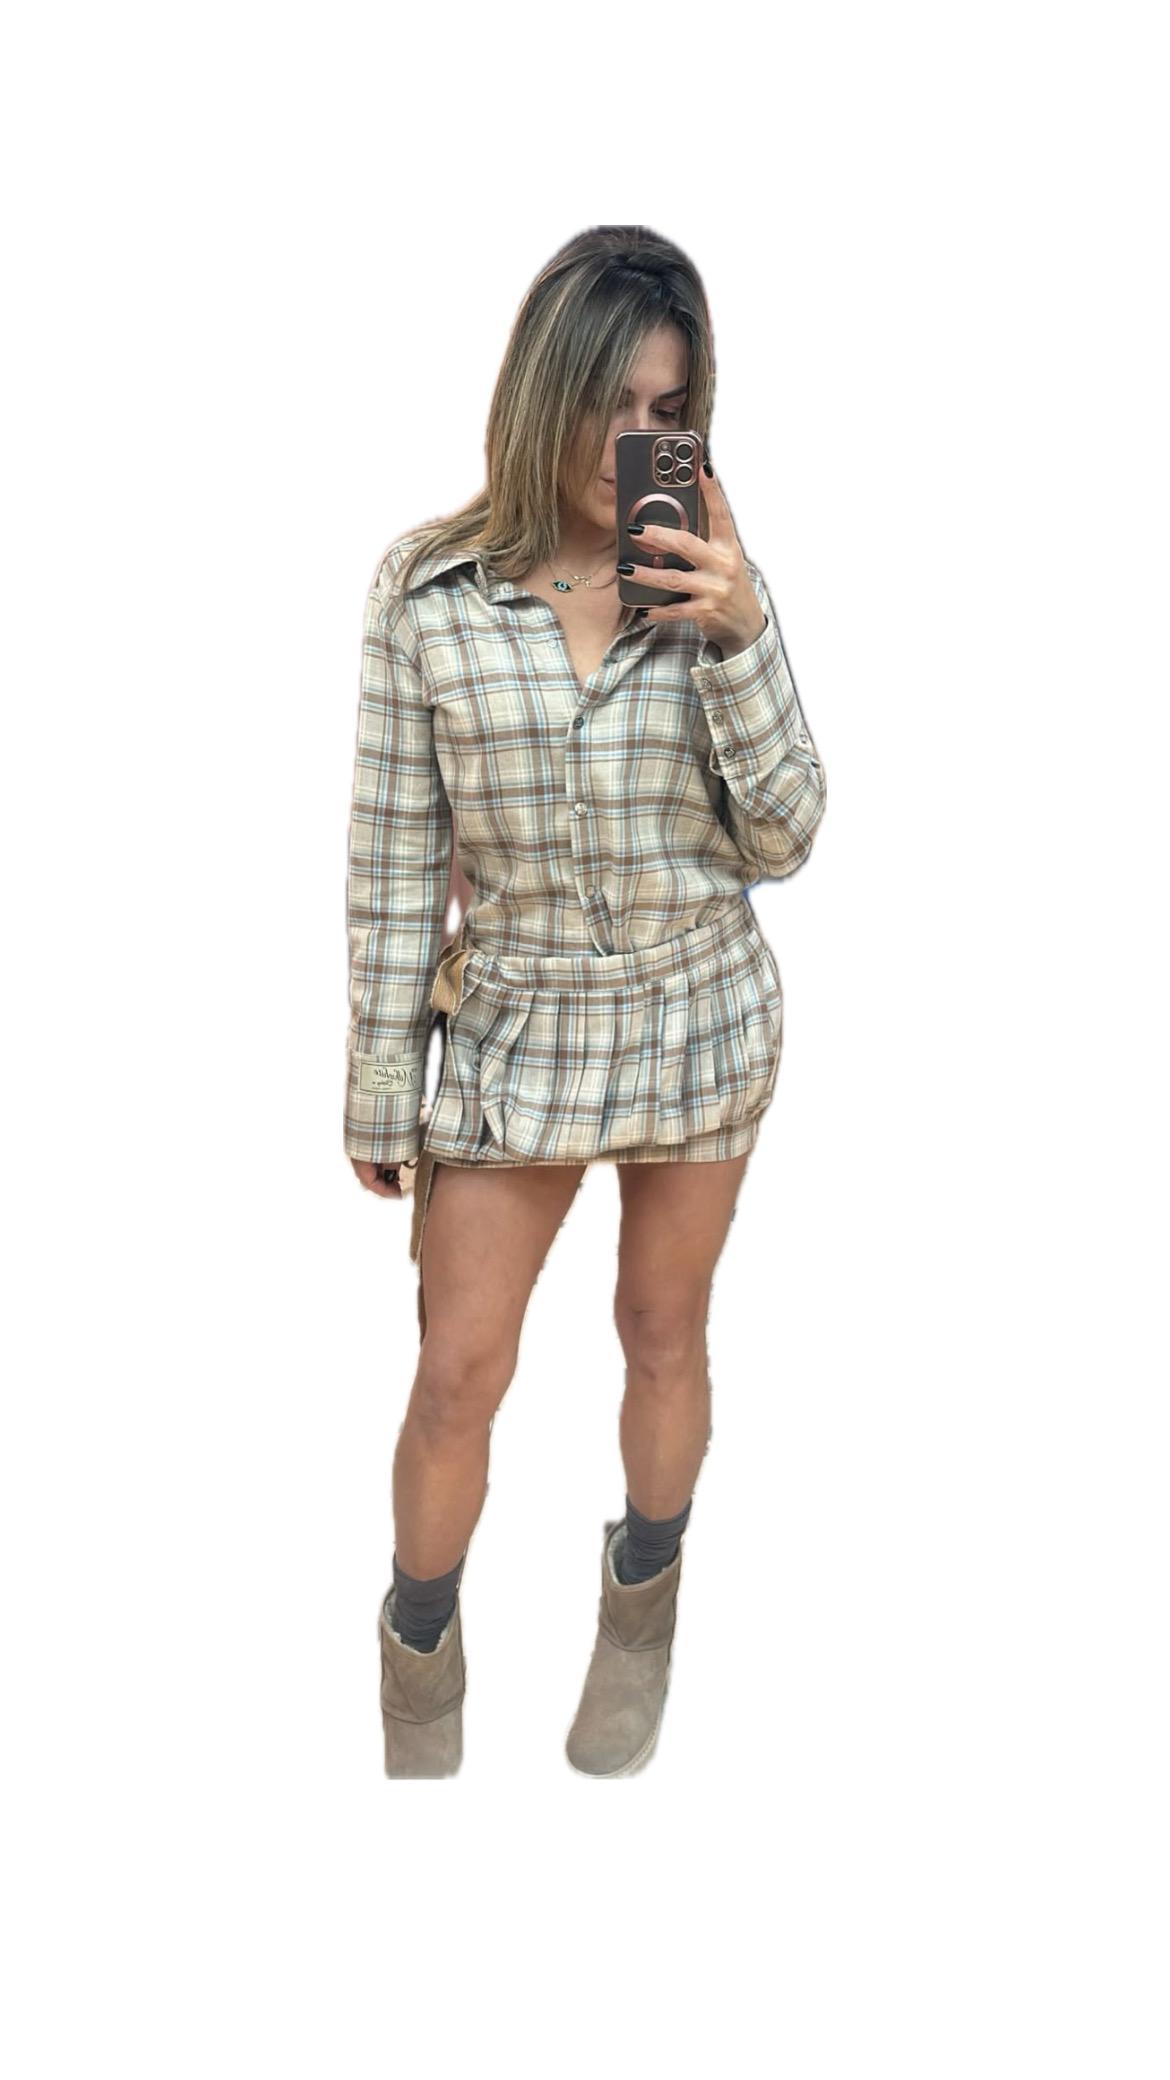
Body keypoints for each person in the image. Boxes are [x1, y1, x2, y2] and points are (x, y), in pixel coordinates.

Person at [344, 225, 828, 1778]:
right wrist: (381, 1084)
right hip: (519, 1030)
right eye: (609, 403)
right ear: (541, 391)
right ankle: (419, 1670)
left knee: (660, 1329)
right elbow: (394, 862)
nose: (637, 442)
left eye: (667, 411)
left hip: (698, 1015)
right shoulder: (427, 592)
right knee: (457, 1371)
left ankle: (640, 1611)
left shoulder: (708, 581)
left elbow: (785, 838)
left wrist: (741, 637)